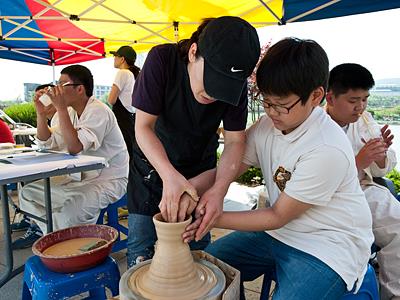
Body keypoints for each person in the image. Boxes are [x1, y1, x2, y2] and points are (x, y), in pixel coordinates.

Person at [184, 38, 374, 299]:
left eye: (281, 104)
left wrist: (210, 217)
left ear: (316, 96)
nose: (271, 112)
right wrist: (189, 188)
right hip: (279, 234)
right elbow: (228, 169)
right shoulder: (267, 125)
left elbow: (277, 216)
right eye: (266, 101)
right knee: (205, 269)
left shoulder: (326, 147)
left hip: (328, 245)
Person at [127, 16, 260, 267]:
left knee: (195, 252)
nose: (214, 95)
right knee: (141, 252)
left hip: (200, 171)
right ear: (193, 52)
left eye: (225, 88)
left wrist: (219, 189)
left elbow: (234, 142)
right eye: (212, 82)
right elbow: (143, 127)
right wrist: (169, 176)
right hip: (152, 171)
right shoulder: (162, 61)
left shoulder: (238, 88)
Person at [12, 65, 129, 249]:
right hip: (77, 178)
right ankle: (59, 240)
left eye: (61, 85)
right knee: (28, 194)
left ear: (79, 89)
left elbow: (75, 147)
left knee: (67, 213)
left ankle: (63, 244)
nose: (55, 90)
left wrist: (60, 109)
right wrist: (41, 114)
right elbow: (46, 141)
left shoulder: (98, 111)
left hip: (108, 179)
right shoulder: (67, 112)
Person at [325, 63, 400, 300]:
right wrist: (358, 161)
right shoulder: (316, 126)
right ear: (329, 97)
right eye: (353, 100)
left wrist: (382, 154)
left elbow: (383, 169)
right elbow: (319, 180)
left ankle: (392, 292)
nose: (360, 107)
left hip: (363, 189)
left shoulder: (363, 120)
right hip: (332, 199)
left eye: (365, 99)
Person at [108, 45, 140, 158]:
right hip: (130, 117)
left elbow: (111, 100)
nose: (114, 59)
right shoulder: (132, 74)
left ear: (122, 59)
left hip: (122, 118)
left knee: (123, 152)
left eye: (115, 56)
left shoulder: (123, 73)